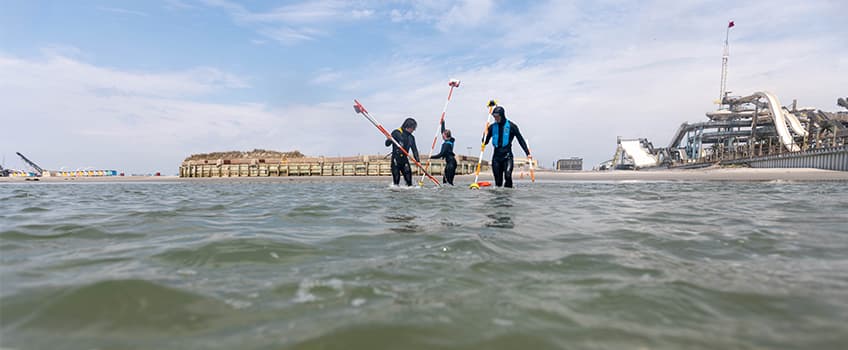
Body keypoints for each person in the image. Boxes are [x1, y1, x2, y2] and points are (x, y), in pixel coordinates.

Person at [483, 106, 531, 188]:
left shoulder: (512, 126)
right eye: (494, 117)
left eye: (497, 116)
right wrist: (485, 134)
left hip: (507, 156)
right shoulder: (492, 127)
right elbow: (485, 142)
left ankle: (508, 196)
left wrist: (527, 153)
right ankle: (500, 199)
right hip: (496, 158)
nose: (495, 118)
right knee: (498, 182)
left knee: (508, 176)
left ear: (502, 115)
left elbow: (521, 140)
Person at [386, 117, 420, 186]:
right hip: (396, 160)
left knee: (409, 182)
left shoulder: (411, 137)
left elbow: (414, 150)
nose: (414, 130)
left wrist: (417, 161)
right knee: (396, 180)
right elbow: (387, 144)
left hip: (404, 161)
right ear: (408, 126)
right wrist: (389, 139)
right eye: (413, 128)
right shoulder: (396, 132)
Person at [430, 120, 456, 185]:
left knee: (447, 182)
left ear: (445, 136)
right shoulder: (451, 140)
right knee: (447, 182)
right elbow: (443, 132)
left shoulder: (446, 144)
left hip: (450, 164)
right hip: (452, 163)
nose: (442, 135)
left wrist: (430, 157)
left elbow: (440, 155)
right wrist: (443, 123)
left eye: (443, 135)